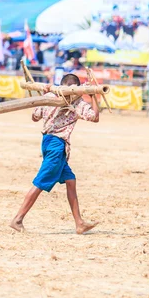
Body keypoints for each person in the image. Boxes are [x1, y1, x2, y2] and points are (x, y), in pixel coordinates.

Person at [10, 74, 100, 234]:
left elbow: (34, 117)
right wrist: (92, 96)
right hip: (56, 146)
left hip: (47, 142)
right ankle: (18, 219)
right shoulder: (77, 102)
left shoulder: (49, 96)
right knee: (40, 182)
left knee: (70, 180)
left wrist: (42, 98)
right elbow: (94, 117)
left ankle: (79, 223)